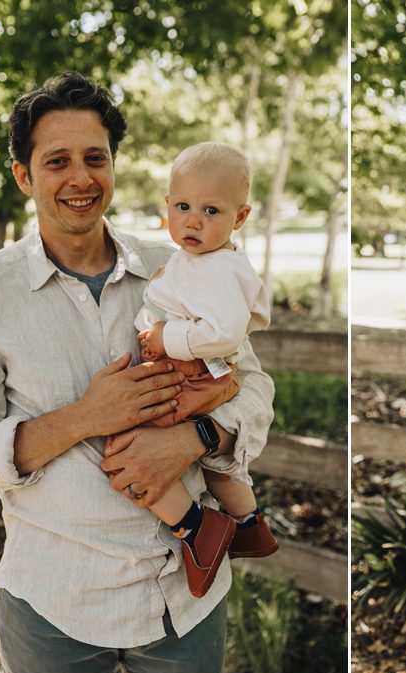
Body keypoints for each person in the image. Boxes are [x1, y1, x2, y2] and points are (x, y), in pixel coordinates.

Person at [0, 73, 273, 673]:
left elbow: (253, 388)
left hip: (185, 599)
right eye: (57, 161)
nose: (80, 178)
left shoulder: (180, 267)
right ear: (24, 176)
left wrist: (197, 437)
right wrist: (85, 417)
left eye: (95, 158)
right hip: (53, 600)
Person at [133, 142, 276, 594]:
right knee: (216, 464)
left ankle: (199, 529)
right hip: (194, 372)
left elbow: (225, 333)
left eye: (210, 209)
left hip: (189, 372)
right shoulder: (196, 259)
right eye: (182, 206)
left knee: (129, 449)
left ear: (240, 217)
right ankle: (248, 523)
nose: (192, 220)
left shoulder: (216, 269)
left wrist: (162, 338)